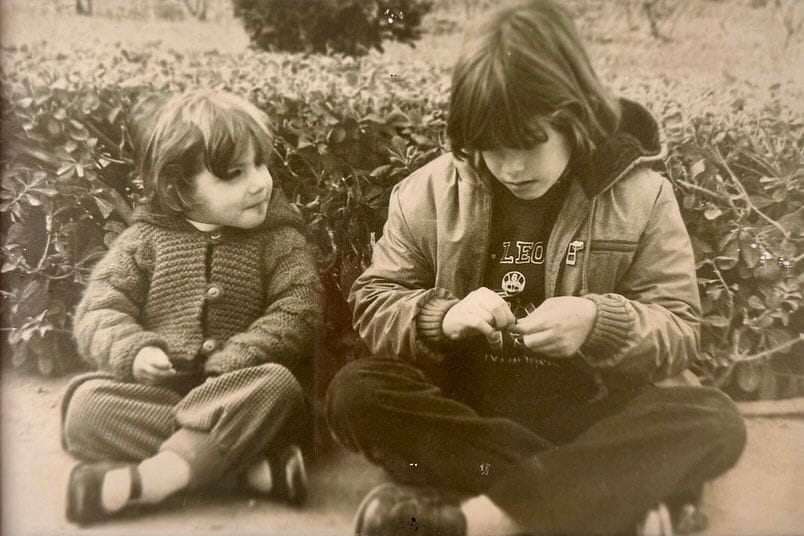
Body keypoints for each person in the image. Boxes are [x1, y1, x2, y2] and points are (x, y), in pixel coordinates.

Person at [325, 1, 746, 535]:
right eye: (488, 148)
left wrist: (598, 322)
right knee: (354, 394)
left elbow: (679, 329)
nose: (511, 167)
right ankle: (600, 498)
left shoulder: (644, 195)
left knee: (714, 419)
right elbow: (376, 302)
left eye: (528, 143)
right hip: (471, 410)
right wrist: (441, 318)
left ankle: (474, 521)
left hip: (590, 407)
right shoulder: (425, 192)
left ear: (575, 116)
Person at [61, 89, 322, 525]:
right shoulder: (144, 242)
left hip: (242, 391)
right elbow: (99, 310)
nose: (260, 183)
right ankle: (246, 472)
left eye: (261, 164)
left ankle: (151, 481)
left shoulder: (280, 240)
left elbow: (299, 309)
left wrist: (240, 356)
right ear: (178, 188)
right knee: (85, 407)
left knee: (277, 386)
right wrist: (135, 350)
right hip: (167, 393)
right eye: (234, 174)